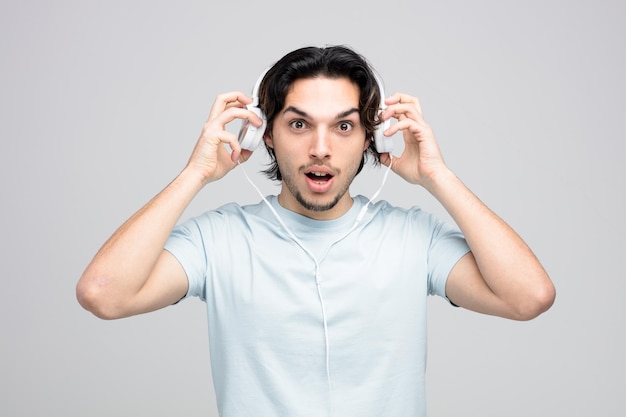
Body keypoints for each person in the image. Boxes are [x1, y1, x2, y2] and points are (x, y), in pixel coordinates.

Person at [76, 45, 555, 417]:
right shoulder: (218, 240)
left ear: (371, 137)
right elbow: (103, 294)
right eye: (299, 124)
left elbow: (529, 297)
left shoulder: (413, 237)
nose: (321, 148)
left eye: (344, 127)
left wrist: (438, 176)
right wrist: (194, 174)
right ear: (266, 133)